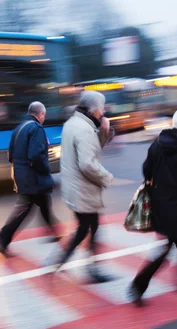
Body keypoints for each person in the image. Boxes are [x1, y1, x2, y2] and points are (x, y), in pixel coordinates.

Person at [129, 107, 177, 307]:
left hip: (159, 202)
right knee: (167, 246)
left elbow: (146, 170)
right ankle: (138, 285)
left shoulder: (158, 144)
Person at [52, 91, 115, 283]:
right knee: (91, 228)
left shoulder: (73, 123)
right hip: (83, 189)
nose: (103, 112)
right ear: (95, 110)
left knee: (85, 228)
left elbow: (93, 148)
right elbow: (88, 163)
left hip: (74, 187)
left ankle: (61, 261)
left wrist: (104, 131)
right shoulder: (85, 130)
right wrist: (107, 177)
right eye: (102, 108)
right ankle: (91, 270)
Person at [0, 102, 61, 256]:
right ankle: (3, 238)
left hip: (21, 174)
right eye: (44, 115)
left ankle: (52, 231)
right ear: (41, 114)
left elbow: (10, 155)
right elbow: (36, 155)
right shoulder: (36, 128)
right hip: (33, 177)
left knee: (44, 202)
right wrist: (46, 170)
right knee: (25, 208)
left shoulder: (19, 128)